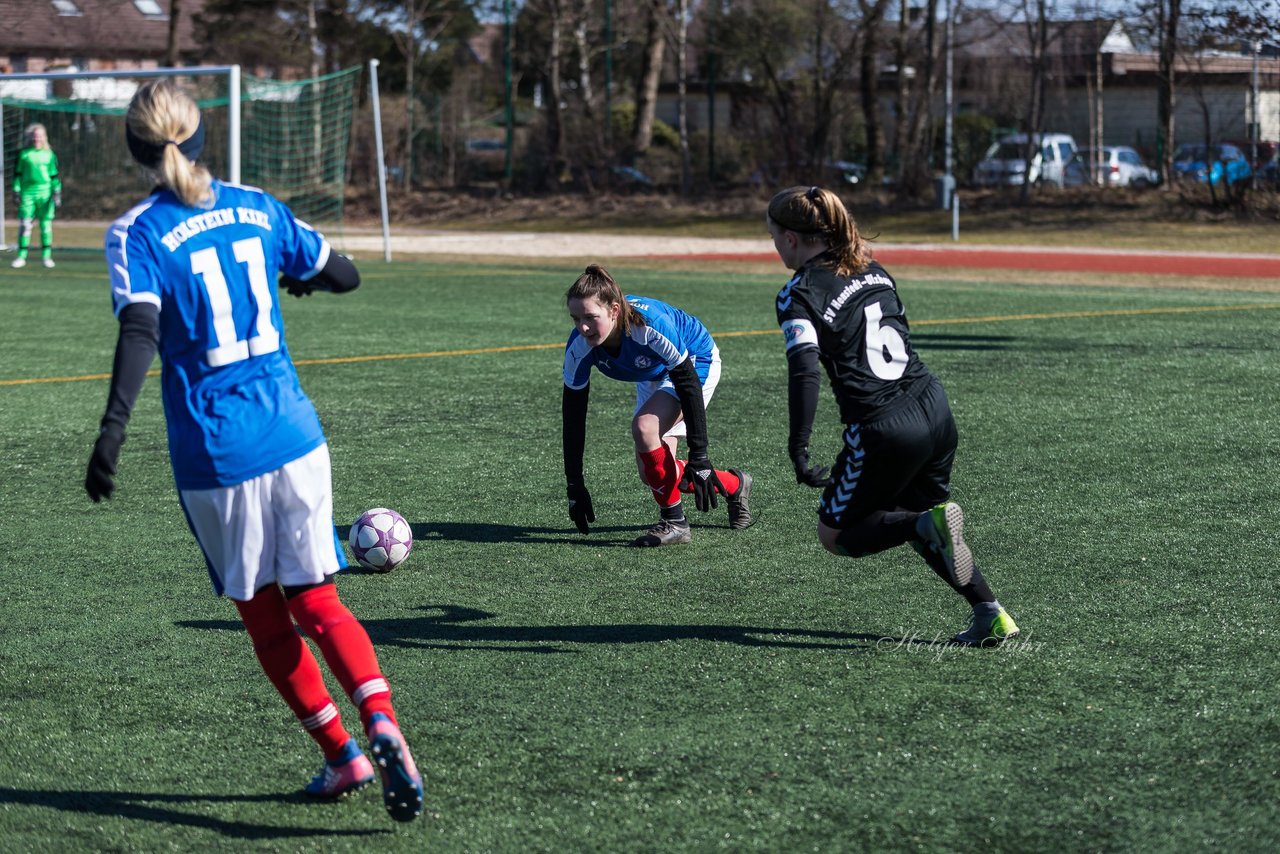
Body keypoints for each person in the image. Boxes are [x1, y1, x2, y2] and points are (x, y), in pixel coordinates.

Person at [83, 79, 423, 821]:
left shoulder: (136, 232)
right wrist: (297, 282)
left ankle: (342, 757)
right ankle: (383, 720)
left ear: (136, 147)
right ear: (202, 138)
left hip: (217, 453)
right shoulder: (256, 204)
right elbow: (343, 273)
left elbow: (140, 332)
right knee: (319, 598)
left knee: (266, 617)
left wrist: (111, 431)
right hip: (296, 435)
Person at [765, 186, 1020, 646]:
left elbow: (804, 370)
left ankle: (927, 529)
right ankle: (990, 611)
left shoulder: (797, 294)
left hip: (884, 426)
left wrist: (798, 446)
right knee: (926, 521)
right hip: (934, 406)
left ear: (789, 239)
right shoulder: (874, 270)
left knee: (836, 533)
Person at [562, 264, 753, 546]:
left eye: (590, 317)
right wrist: (574, 483)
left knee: (645, 427)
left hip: (695, 360)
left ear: (614, 311)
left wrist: (700, 456)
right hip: (655, 372)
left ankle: (674, 522)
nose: (583, 327)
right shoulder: (579, 346)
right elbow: (573, 417)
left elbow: (687, 383)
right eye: (575, 318)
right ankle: (736, 485)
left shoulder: (647, 326)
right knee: (652, 473)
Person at [11, 123, 61, 268]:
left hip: (45, 193)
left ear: (44, 137)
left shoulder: (49, 154)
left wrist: (57, 191)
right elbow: (17, 175)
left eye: (39, 135)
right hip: (28, 193)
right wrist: (16, 190)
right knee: (25, 225)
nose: (36, 138)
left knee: (45, 225)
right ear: (30, 137)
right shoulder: (24, 154)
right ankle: (21, 256)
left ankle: (46, 257)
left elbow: (54, 176)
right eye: (34, 135)